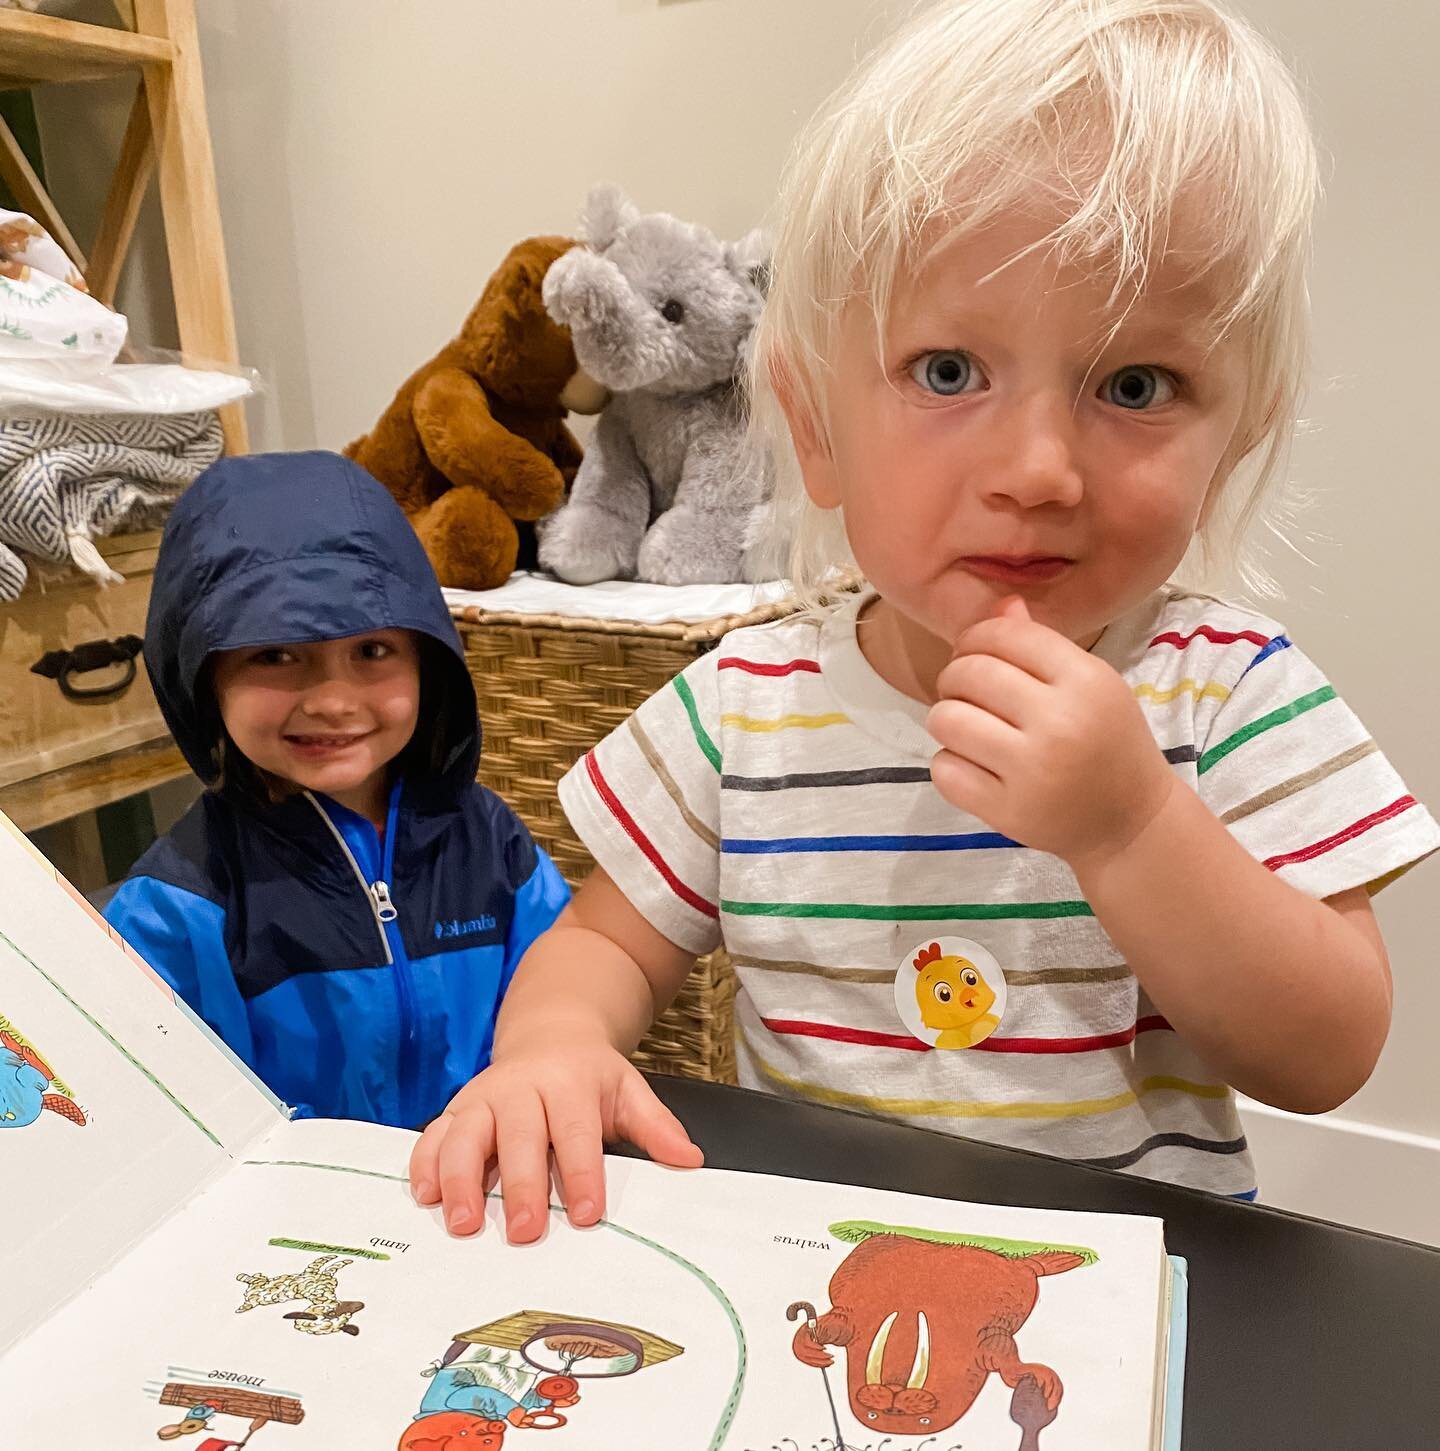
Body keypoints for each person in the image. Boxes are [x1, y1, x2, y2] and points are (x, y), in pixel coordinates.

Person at [409, 0, 1439, 1238]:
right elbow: (609, 945)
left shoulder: (1223, 694)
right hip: (818, 1287)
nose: (1039, 468)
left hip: (1125, 1300)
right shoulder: (746, 703)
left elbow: (1325, 1052)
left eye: (1136, 384)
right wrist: (554, 1046)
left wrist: (1134, 826)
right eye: (949, 372)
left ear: (1235, 440)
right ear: (817, 422)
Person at [105, 451, 569, 1127]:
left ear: (426, 658)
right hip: (294, 1218)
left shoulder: (488, 840)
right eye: (274, 653)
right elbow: (148, 1113)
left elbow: (565, 988)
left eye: (372, 652)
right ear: (203, 673)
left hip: (488, 1193)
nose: (331, 699)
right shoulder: (180, 905)